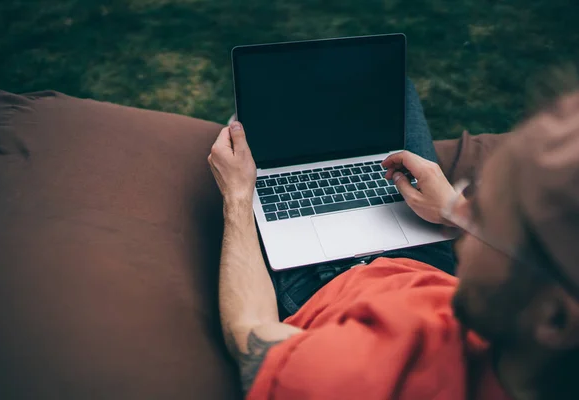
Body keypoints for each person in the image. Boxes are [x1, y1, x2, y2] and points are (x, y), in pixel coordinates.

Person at [208, 79, 579, 399]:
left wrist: (238, 194)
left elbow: (249, 329)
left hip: (327, 282)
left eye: (484, 218)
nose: (464, 230)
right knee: (393, 88)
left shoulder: (346, 380)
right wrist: (451, 207)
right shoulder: (509, 324)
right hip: (429, 267)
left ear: (555, 319)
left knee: (266, 110)